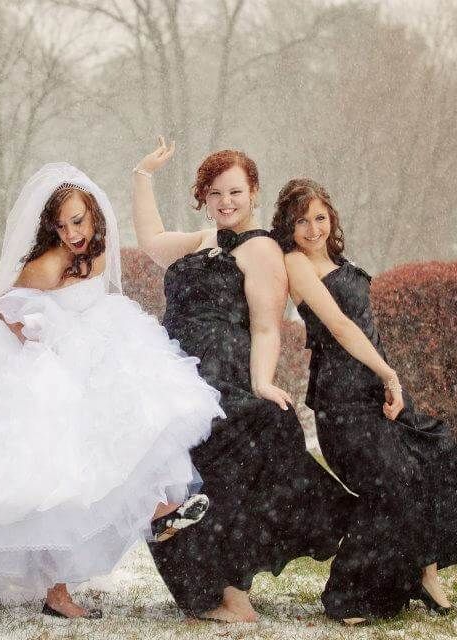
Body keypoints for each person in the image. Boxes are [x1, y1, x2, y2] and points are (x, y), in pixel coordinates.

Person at [0, 163, 222, 618]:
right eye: (62, 225)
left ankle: (155, 508)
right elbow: (9, 313)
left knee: (131, 433)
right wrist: (46, 335)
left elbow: (97, 298)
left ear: (92, 215)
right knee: (64, 478)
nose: (73, 233)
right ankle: (68, 579)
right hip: (57, 367)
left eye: (79, 221)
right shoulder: (48, 263)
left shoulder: (97, 249)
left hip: (100, 355)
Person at [134, 138, 352, 623]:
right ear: (203, 198)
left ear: (253, 192)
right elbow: (151, 240)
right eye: (214, 193)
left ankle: (232, 597)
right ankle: (209, 594)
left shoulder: (261, 249)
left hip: (220, 372)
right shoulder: (202, 239)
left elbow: (267, 325)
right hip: (173, 370)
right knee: (168, 477)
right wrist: (142, 177)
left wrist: (260, 383)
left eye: (234, 192)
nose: (225, 202)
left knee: (216, 480)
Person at [270, 177, 457, 624]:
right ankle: (348, 593)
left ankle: (425, 572)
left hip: (373, 389)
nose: (313, 229)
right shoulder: (295, 264)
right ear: (288, 228)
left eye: (320, 217)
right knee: (391, 482)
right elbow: (341, 327)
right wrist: (391, 374)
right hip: (342, 399)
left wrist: (389, 384)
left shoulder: (336, 259)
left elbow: (368, 328)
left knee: (435, 453)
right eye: (302, 221)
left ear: (331, 217)